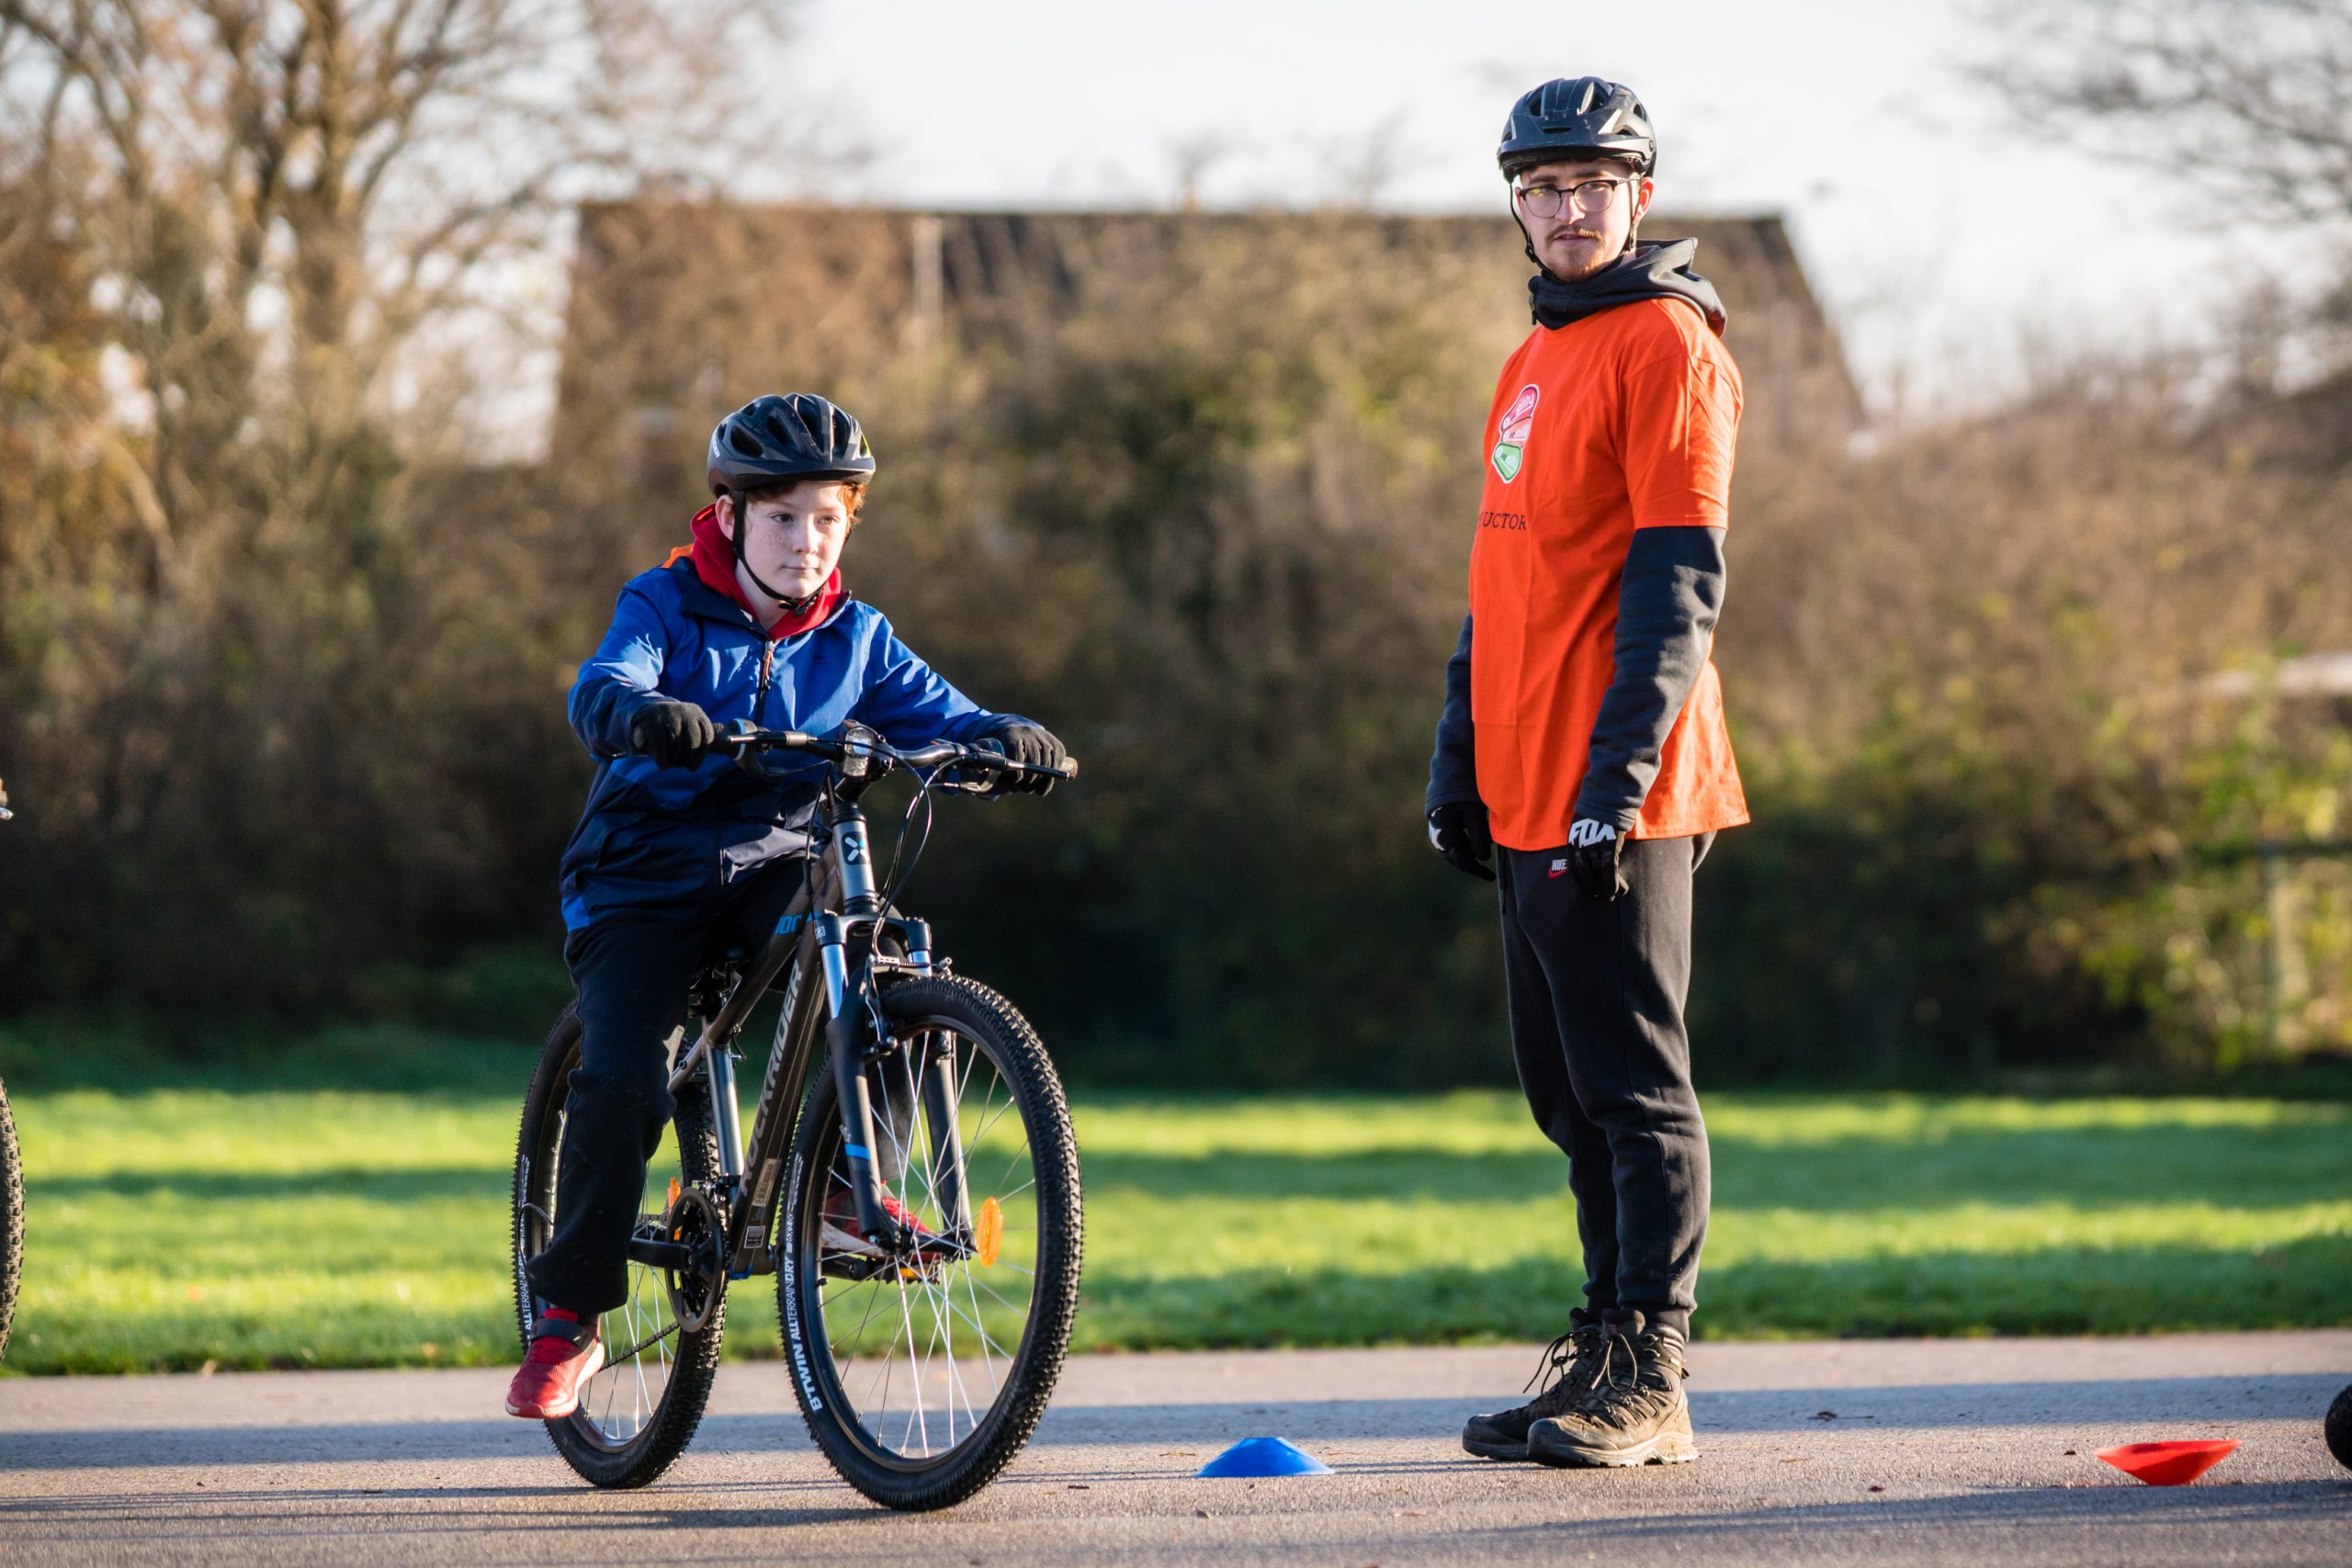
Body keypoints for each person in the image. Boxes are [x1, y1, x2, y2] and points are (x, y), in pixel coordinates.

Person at [507, 392, 1066, 1419]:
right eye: (780, 517)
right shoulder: (664, 603)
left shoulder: (856, 635)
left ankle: (848, 1184)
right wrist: (642, 713)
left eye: (826, 518)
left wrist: (1009, 737)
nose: (805, 540)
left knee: (889, 947)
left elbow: (946, 714)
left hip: (774, 862)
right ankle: (567, 1317)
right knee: (625, 1074)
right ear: (729, 516)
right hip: (642, 875)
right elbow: (602, 685)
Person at [1426, 76, 1748, 1469]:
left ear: (1641, 195)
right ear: (1518, 198)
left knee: (1634, 1085)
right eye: (1543, 186)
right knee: (1566, 1087)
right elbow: (1505, 578)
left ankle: (1654, 1374)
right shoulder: (1535, 351)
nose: (1567, 209)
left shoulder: (1667, 344)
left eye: (1593, 185)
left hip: (1620, 780)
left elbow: (1681, 579)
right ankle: (1602, 1351)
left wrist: (1614, 778)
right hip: (1523, 772)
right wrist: (1460, 750)